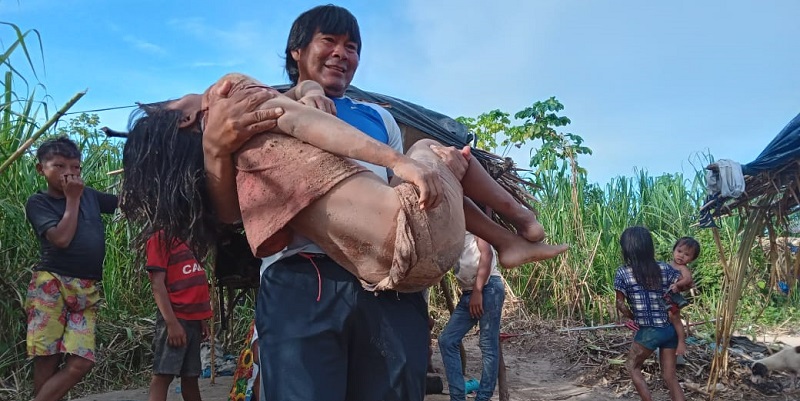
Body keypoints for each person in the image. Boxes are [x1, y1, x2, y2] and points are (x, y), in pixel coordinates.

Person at [24, 136, 118, 401]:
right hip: (51, 283)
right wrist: (72, 199)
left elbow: (125, 202)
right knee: (47, 357)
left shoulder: (89, 195)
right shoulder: (38, 202)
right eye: (60, 166)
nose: (69, 173)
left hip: (85, 288)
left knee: (82, 360)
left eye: (75, 167)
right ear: (41, 169)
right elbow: (62, 239)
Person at [614, 226, 687, 401]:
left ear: (627, 248)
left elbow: (620, 305)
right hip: (670, 329)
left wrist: (632, 317)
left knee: (632, 366)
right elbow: (683, 284)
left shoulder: (623, 272)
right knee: (670, 377)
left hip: (649, 331)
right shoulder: (665, 268)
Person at [439, 230, 505, 401]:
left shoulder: (474, 224)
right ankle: (458, 397)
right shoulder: (452, 231)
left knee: (488, 345)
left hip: (487, 288)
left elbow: (487, 253)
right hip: (469, 293)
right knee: (447, 340)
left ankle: (483, 397)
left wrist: (478, 291)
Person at [145, 231, 211, 401]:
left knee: (191, 376)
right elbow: (157, 284)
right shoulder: (160, 239)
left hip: (193, 321)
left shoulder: (190, 239)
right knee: (163, 375)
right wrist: (171, 323)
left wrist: (201, 319)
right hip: (175, 318)